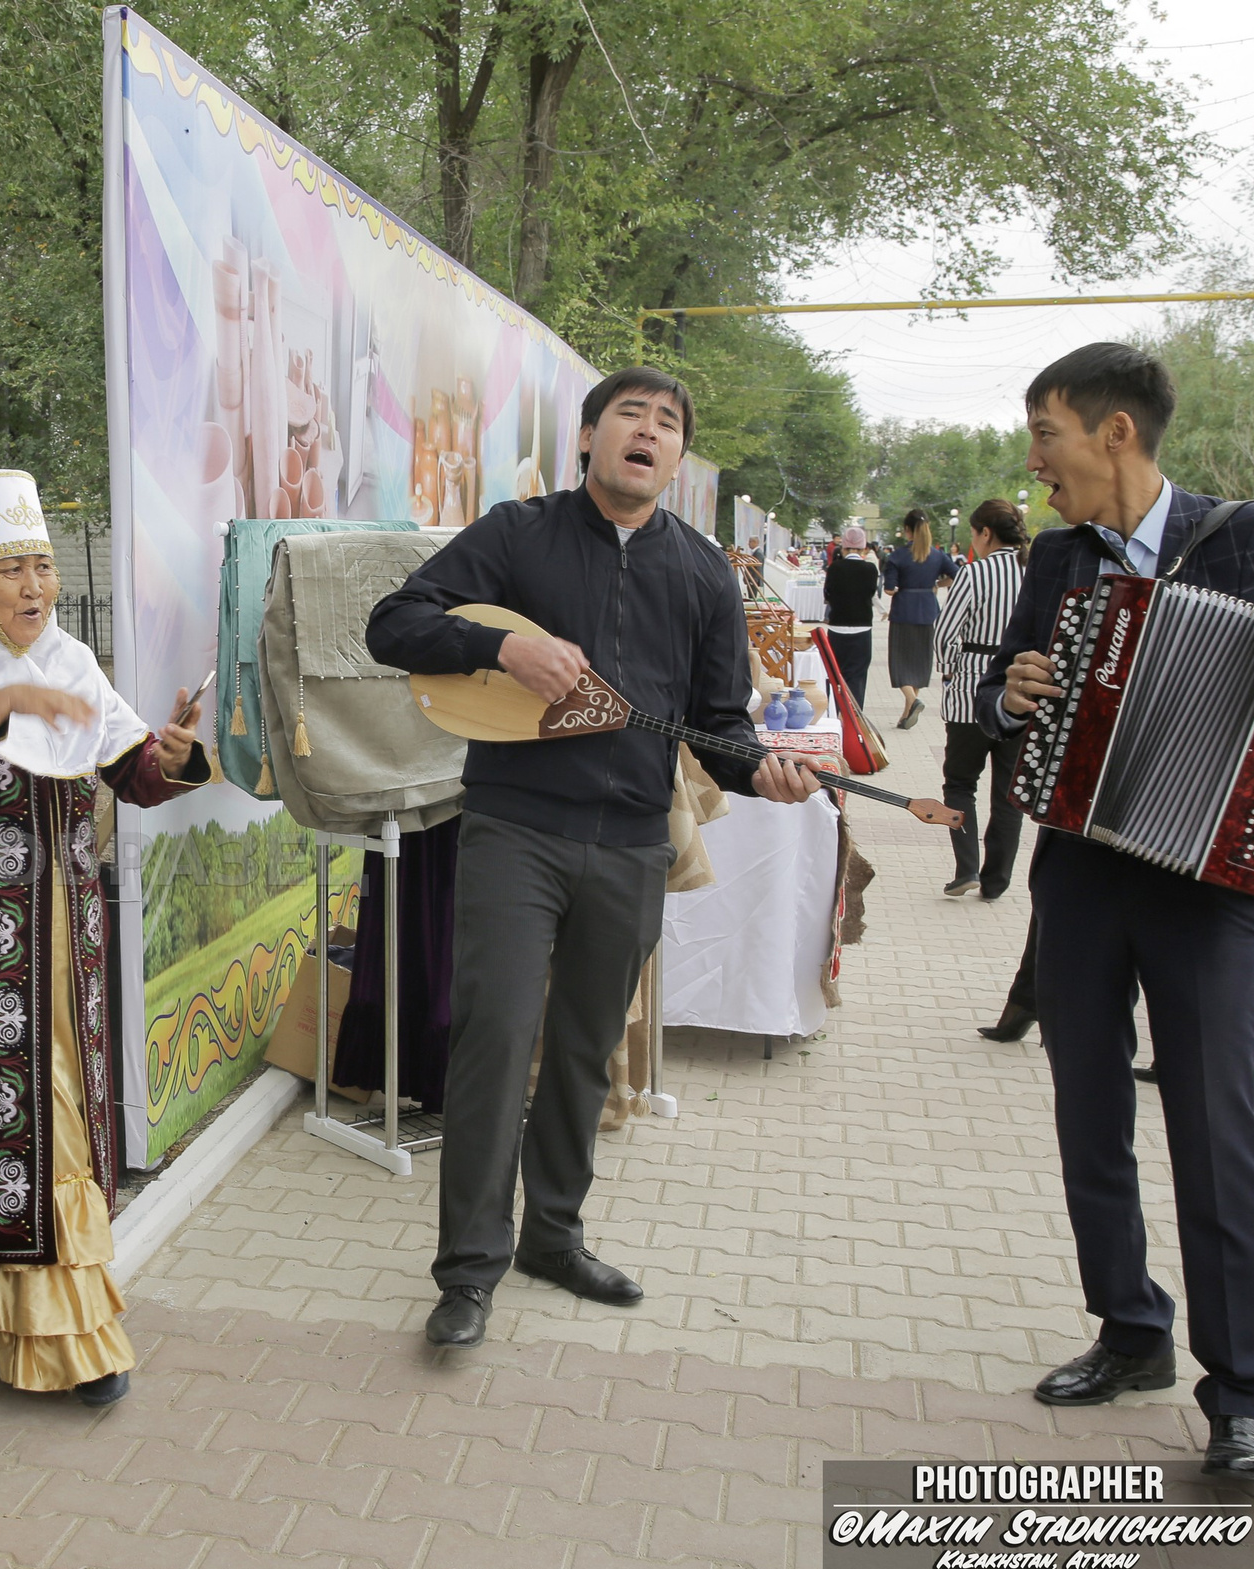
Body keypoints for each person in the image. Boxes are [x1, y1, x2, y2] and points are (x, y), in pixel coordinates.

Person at [367, 367, 825, 1349]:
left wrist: (765, 775)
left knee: (583, 1049)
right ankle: (468, 1269)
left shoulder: (704, 570)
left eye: (668, 423)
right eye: (630, 415)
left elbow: (717, 726)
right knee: (493, 1040)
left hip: (628, 841)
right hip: (512, 829)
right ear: (587, 438)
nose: (648, 432)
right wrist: (499, 654)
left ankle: (554, 1239)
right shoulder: (515, 534)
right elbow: (391, 626)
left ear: (674, 458)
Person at [980, 342, 1254, 1479]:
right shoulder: (1055, 555)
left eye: (1045, 432)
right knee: (1087, 1111)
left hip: (1208, 882)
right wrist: (1012, 690)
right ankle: (1129, 1332)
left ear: (1114, 433)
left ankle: (1242, 1388)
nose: (1035, 461)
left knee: (1212, 1126)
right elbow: (1013, 686)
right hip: (1083, 870)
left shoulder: (1247, 535)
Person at [0, 470, 210, 1408]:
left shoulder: (69, 662)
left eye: (43, 566)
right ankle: (51, 1335)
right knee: (11, 1121)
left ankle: (44, 1318)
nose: (37, 588)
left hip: (67, 949)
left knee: (59, 1112)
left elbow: (129, 768)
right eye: (12, 572)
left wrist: (175, 755)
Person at [935, 498, 1029, 898]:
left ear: (984, 534)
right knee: (1009, 794)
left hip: (972, 693)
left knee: (960, 783)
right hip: (1022, 695)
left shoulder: (975, 573)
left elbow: (944, 632)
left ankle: (967, 868)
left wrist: (953, 666)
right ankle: (996, 882)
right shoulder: (1034, 573)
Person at [881, 508, 955, 730]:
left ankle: (912, 702)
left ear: (907, 530)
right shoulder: (938, 555)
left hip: (904, 610)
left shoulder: (898, 556)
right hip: (928, 611)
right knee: (919, 662)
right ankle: (906, 715)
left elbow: (889, 589)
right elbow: (957, 575)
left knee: (900, 662)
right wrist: (935, 585)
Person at [822, 523, 881, 715]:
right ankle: (854, 718)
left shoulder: (835, 568)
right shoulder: (870, 569)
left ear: (843, 548)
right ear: (864, 548)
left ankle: (833, 713)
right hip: (862, 628)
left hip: (838, 627)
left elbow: (828, 594)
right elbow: (872, 593)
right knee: (857, 676)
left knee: (834, 675)